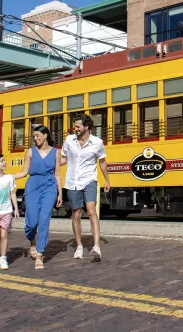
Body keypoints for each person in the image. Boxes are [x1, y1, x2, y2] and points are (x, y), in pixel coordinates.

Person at [61, 113, 111, 261]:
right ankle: (79, 246)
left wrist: (107, 180)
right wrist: (52, 165)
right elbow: (63, 158)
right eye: (74, 126)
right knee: (76, 213)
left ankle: (96, 246)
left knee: (91, 211)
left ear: (87, 127)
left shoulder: (97, 142)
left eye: (78, 126)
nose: (75, 129)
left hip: (89, 180)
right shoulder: (69, 141)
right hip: (72, 182)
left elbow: (102, 162)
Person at [13, 124, 61, 269]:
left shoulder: (56, 152)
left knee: (44, 219)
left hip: (49, 186)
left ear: (45, 135)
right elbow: (23, 172)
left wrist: (60, 193)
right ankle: (32, 241)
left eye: (37, 136)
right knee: (32, 222)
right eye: (34, 136)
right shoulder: (30, 152)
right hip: (33, 185)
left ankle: (40, 253)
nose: (35, 139)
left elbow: (57, 174)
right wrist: (6, 177)